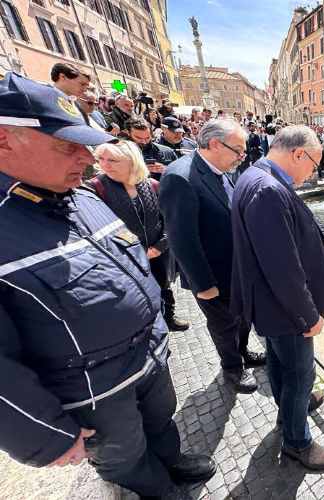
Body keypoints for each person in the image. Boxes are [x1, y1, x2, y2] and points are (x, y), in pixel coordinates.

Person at [0, 73, 214, 500]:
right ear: (5, 139)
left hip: (149, 362)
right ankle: (159, 491)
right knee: (124, 455)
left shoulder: (84, 197)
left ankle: (172, 462)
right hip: (94, 392)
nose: (87, 157)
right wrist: (44, 437)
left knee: (161, 423)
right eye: (66, 145)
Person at [230, 125, 324, 471]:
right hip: (286, 311)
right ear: (297, 154)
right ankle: (297, 442)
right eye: (313, 163)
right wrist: (309, 316)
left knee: (280, 363)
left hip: (270, 306)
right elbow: (283, 269)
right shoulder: (268, 191)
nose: (313, 172)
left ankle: (291, 407)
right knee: (300, 375)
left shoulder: (254, 176)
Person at [160, 119, 265, 391]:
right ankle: (232, 368)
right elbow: (182, 239)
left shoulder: (220, 169)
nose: (242, 156)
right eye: (238, 150)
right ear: (216, 144)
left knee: (242, 317)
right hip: (212, 275)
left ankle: (242, 353)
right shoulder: (179, 177)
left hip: (235, 269)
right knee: (223, 324)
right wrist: (203, 285)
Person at [87, 140, 189, 332]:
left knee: (163, 285)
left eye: (113, 160)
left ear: (132, 162)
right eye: (102, 159)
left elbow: (170, 219)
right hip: (124, 258)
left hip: (157, 252)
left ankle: (168, 317)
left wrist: (160, 245)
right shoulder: (95, 189)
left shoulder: (153, 186)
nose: (105, 165)